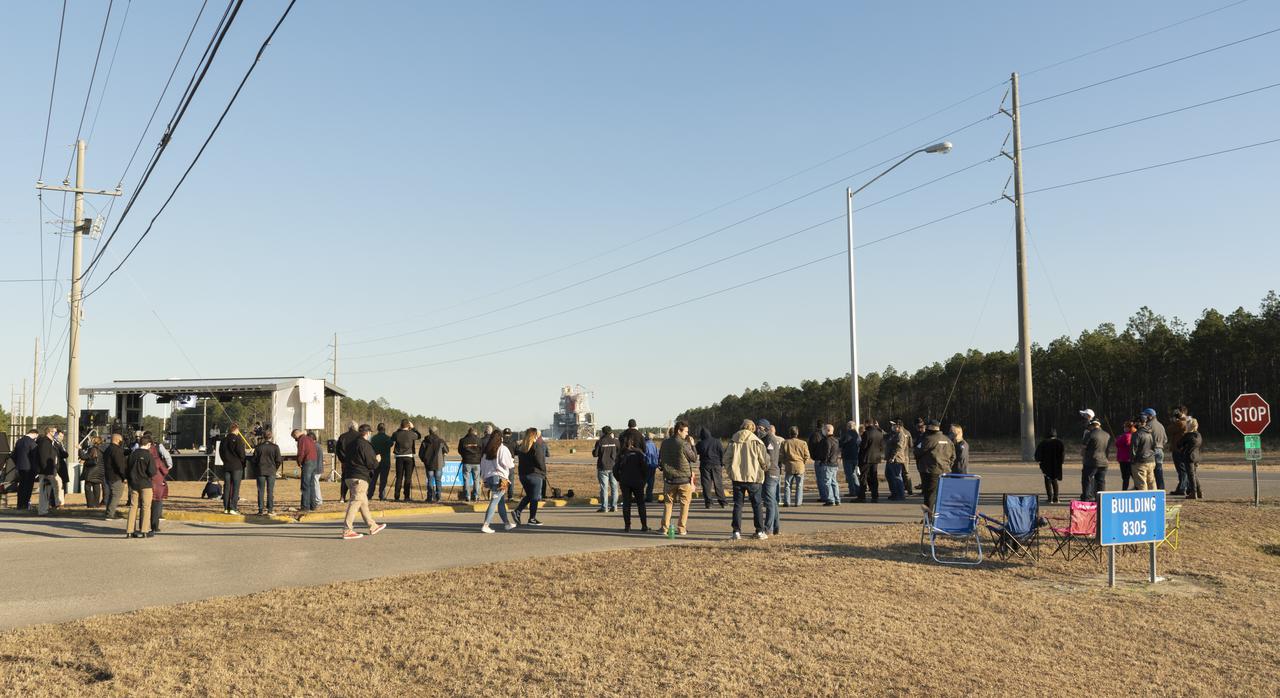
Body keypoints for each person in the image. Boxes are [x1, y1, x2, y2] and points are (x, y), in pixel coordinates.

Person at [723, 419, 768, 540]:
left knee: (738, 505)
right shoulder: (757, 441)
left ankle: (736, 531)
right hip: (753, 478)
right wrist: (764, 468)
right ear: (753, 428)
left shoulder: (734, 440)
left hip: (737, 478)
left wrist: (730, 471)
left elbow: (726, 459)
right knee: (757, 505)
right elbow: (764, 460)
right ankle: (759, 531)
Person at [341, 424, 386, 540]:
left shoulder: (351, 444)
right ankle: (347, 530)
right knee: (355, 501)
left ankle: (372, 526)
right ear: (368, 433)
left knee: (363, 502)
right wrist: (377, 460)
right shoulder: (365, 445)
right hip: (359, 477)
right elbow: (371, 464)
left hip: (349, 476)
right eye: (370, 433)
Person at [658, 421, 698, 536]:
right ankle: (681, 528)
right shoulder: (683, 444)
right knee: (684, 504)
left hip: (669, 478)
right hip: (683, 479)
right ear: (679, 431)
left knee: (668, 504)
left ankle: (664, 528)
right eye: (685, 431)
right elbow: (694, 458)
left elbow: (661, 459)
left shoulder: (664, 443)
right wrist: (692, 445)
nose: (687, 434)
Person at [479, 430, 517, 533]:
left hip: (490, 478)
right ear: (501, 438)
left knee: (500, 502)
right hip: (500, 479)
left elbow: (482, 466)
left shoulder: (486, 451)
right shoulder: (503, 449)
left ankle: (507, 523)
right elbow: (509, 464)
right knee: (495, 501)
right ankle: (486, 524)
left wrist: (484, 478)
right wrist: (512, 463)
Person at [614, 426, 650, 533]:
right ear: (634, 441)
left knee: (626, 503)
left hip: (625, 481)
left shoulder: (621, 453)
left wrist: (619, 479)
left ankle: (627, 526)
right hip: (638, 481)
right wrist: (644, 479)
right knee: (641, 504)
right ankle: (644, 525)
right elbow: (645, 468)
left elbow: (615, 469)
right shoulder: (639, 453)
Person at [915, 419, 955, 510]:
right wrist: (947, 466)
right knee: (941, 494)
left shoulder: (928, 439)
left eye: (927, 427)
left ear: (930, 428)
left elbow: (917, 451)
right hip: (945, 471)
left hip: (930, 471)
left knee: (929, 495)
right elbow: (953, 456)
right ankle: (939, 516)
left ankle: (928, 518)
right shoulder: (947, 439)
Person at [124, 435, 157, 538]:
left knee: (133, 507)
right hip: (145, 484)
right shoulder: (148, 455)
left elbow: (127, 469)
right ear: (148, 444)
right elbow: (152, 471)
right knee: (146, 507)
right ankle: (144, 530)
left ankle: (129, 531)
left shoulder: (132, 454)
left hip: (133, 484)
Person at [512, 428, 546, 527]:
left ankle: (518, 511)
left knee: (530, 495)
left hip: (523, 475)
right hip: (535, 474)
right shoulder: (536, 446)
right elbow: (540, 462)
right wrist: (543, 472)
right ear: (535, 435)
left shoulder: (522, 447)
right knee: (535, 498)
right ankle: (532, 518)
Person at [218, 423, 248, 515]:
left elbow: (220, 453)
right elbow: (242, 454)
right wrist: (243, 463)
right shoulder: (238, 439)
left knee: (226, 487)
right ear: (236, 430)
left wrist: (225, 461)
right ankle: (233, 508)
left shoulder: (223, 440)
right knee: (235, 488)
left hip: (226, 466)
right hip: (237, 466)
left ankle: (226, 508)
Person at [759, 420, 783, 536]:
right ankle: (776, 527)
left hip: (770, 473)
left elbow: (770, 458)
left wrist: (763, 467)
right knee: (772, 501)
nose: (758, 430)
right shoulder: (765, 439)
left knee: (769, 502)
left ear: (767, 428)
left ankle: (768, 528)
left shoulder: (770, 439)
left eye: (761, 428)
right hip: (770, 473)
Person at [389, 420, 421, 502]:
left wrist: (399, 429)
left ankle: (397, 496)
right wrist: (413, 428)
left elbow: (392, 437)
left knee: (399, 477)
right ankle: (406, 496)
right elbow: (419, 436)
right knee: (408, 477)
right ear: (408, 426)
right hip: (409, 457)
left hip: (399, 457)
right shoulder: (411, 434)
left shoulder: (396, 434)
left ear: (401, 425)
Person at [696, 426, 726, 509]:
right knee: (718, 483)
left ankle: (708, 503)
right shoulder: (717, 441)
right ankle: (722, 502)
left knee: (706, 485)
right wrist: (722, 463)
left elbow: (696, 452)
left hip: (705, 465)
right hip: (717, 465)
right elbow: (721, 452)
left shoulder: (700, 443)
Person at [1080, 419, 1111, 502]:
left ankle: (1086, 499)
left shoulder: (1089, 434)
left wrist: (1083, 456)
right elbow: (1107, 450)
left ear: (1092, 425)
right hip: (1104, 462)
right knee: (1101, 481)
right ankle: (1101, 500)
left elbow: (1083, 448)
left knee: (1087, 480)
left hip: (1091, 461)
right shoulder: (1107, 435)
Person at [780, 426, 810, 506]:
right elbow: (807, 456)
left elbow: (781, 455)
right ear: (797, 433)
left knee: (787, 485)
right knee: (799, 485)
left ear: (790, 433)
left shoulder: (785, 442)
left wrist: (785, 463)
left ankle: (787, 502)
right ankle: (798, 502)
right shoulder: (803, 443)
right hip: (800, 466)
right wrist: (803, 463)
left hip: (789, 465)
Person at [592, 426, 620, 513]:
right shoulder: (616, 441)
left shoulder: (600, 442)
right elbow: (619, 452)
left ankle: (604, 507)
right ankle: (614, 506)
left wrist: (594, 450)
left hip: (603, 467)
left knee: (604, 488)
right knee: (614, 487)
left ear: (603, 433)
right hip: (614, 467)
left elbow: (595, 454)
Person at [292, 429, 321, 512]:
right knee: (311, 484)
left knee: (305, 485)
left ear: (296, 434)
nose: (295, 439)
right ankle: (313, 505)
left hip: (307, 462)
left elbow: (301, 452)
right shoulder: (309, 438)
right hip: (314, 461)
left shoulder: (302, 439)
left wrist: (299, 462)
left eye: (294, 437)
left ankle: (305, 506)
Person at [254, 431, 282, 515]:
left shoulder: (258, 447)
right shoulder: (275, 447)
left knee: (260, 491)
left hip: (260, 471)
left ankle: (260, 509)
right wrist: (275, 468)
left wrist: (257, 467)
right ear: (271, 437)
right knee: (270, 491)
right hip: (271, 471)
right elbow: (278, 460)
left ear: (263, 436)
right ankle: (270, 509)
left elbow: (254, 460)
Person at [419, 426, 448, 503]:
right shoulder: (441, 441)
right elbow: (446, 450)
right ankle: (438, 497)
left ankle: (429, 497)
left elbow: (420, 454)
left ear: (429, 431)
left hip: (429, 465)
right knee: (438, 480)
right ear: (436, 432)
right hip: (439, 464)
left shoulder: (425, 441)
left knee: (430, 480)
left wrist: (424, 461)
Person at [856, 419, 883, 502]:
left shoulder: (866, 433)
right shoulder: (879, 432)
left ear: (867, 424)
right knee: (874, 477)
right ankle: (875, 496)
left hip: (866, 458)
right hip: (875, 458)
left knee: (863, 477)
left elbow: (863, 446)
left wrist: (859, 443)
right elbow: (881, 446)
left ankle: (862, 496)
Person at [884, 419, 911, 501]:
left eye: (894, 425)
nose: (892, 426)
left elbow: (899, 447)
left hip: (896, 459)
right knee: (889, 475)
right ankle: (894, 493)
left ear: (898, 426)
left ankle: (900, 494)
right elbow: (885, 437)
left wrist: (893, 457)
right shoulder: (894, 434)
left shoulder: (901, 435)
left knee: (897, 477)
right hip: (890, 459)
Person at [1035, 429, 1065, 503]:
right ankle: (1056, 497)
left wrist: (1039, 461)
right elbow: (1062, 454)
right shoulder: (1060, 442)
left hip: (1046, 465)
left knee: (1047, 480)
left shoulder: (1043, 443)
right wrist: (1061, 462)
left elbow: (1038, 455)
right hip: (1056, 464)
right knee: (1055, 480)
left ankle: (1049, 498)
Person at [35, 426, 60, 515]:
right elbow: (44, 458)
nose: (56, 434)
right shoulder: (45, 442)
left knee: (47, 492)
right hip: (46, 471)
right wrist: (47, 471)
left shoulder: (49, 442)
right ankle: (42, 510)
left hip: (49, 471)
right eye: (54, 432)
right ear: (49, 432)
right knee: (44, 492)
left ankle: (44, 509)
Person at [103, 433, 129, 519]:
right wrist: (124, 476)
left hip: (109, 475)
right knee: (116, 495)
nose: (122, 442)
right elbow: (120, 465)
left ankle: (109, 512)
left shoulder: (108, 449)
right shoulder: (116, 450)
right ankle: (110, 514)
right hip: (116, 477)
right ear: (117, 440)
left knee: (112, 495)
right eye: (121, 440)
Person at [1142, 408, 1168, 491]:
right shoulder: (1161, 425)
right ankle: (1161, 489)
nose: (1144, 417)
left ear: (1150, 416)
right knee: (1159, 471)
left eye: (1145, 415)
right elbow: (1165, 440)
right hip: (1160, 450)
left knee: (1149, 472)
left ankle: (1149, 489)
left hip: (1152, 451)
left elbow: (1145, 438)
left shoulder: (1148, 425)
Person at [1129, 415, 1158, 491]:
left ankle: (1144, 500)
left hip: (1140, 462)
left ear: (1139, 422)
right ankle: (1154, 499)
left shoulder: (1137, 434)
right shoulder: (1150, 432)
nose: (1134, 425)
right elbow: (1154, 446)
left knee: (1141, 483)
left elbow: (1133, 449)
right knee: (1151, 482)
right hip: (1151, 460)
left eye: (1135, 423)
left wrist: (1132, 460)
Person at [11, 428, 37, 510]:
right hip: (29, 468)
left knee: (21, 486)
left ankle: (19, 504)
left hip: (20, 467)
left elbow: (13, 455)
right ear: (34, 434)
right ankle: (25, 505)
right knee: (28, 487)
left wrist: (18, 463)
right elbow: (35, 456)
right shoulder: (32, 442)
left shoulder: (19, 441)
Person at [148, 436, 170, 533]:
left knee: (145, 507)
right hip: (157, 485)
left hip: (145, 484)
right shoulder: (157, 460)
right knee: (156, 507)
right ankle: (154, 526)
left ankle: (142, 526)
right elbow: (165, 471)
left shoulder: (140, 455)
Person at [1177, 418, 1203, 499]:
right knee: (1194, 474)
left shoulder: (1188, 435)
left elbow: (1179, 444)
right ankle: (1199, 491)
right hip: (1197, 456)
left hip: (1189, 457)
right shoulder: (1198, 435)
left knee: (1190, 475)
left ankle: (1193, 492)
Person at [817, 424, 842, 506]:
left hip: (828, 464)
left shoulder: (826, 440)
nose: (822, 431)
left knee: (827, 482)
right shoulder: (836, 440)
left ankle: (830, 500)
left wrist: (823, 461)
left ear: (827, 431)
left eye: (824, 430)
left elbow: (826, 453)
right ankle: (837, 499)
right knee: (834, 482)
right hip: (834, 463)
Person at [1166, 407, 1189, 496]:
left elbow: (1169, 430)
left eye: (1178, 413)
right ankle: (1183, 487)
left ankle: (1182, 488)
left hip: (1178, 449)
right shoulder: (1186, 422)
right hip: (1182, 448)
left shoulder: (1181, 422)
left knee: (1182, 470)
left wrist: (1176, 420)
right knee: (1183, 470)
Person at [336, 421, 360, 502]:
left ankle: (342, 497)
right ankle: (352, 497)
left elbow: (338, 450)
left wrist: (342, 460)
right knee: (356, 479)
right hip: (357, 462)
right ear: (356, 427)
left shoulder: (342, 436)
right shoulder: (359, 436)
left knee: (345, 479)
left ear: (349, 427)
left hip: (345, 462)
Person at [369, 423, 393, 500]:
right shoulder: (388, 438)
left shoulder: (373, 438)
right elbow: (391, 444)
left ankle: (369, 494)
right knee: (383, 480)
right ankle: (382, 496)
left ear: (377, 429)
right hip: (385, 462)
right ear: (384, 429)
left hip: (375, 461)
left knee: (373, 479)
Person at [458, 427, 482, 502]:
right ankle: (476, 495)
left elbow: (460, 450)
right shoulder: (479, 440)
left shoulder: (463, 440)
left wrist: (464, 456)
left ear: (468, 432)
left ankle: (467, 496)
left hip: (466, 461)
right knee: (476, 480)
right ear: (475, 432)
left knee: (466, 480)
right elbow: (482, 450)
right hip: (476, 462)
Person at [80, 435, 105, 507]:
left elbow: (84, 457)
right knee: (96, 487)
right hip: (100, 471)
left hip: (91, 471)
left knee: (87, 487)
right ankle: (96, 503)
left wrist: (80, 449)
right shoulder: (102, 449)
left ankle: (90, 504)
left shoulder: (92, 449)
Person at [840, 421, 862, 500]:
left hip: (848, 457)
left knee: (849, 475)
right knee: (854, 474)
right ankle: (858, 490)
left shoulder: (847, 434)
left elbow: (841, 444)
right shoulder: (857, 435)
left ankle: (852, 491)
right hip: (855, 456)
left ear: (848, 426)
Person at [1115, 421, 1135, 491]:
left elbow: (1117, 444)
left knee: (1125, 477)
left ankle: (1124, 490)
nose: (1124, 428)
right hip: (1131, 459)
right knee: (1133, 475)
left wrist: (1118, 439)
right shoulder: (1134, 434)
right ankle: (1136, 487)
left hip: (1124, 459)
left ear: (1128, 428)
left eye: (1125, 427)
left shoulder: (1126, 435)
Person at [643, 433, 660, 503]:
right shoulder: (654, 445)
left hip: (647, 465)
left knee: (643, 482)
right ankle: (649, 497)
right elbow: (658, 454)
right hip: (653, 465)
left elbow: (643, 455)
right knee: (651, 482)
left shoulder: (645, 445)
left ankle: (640, 496)